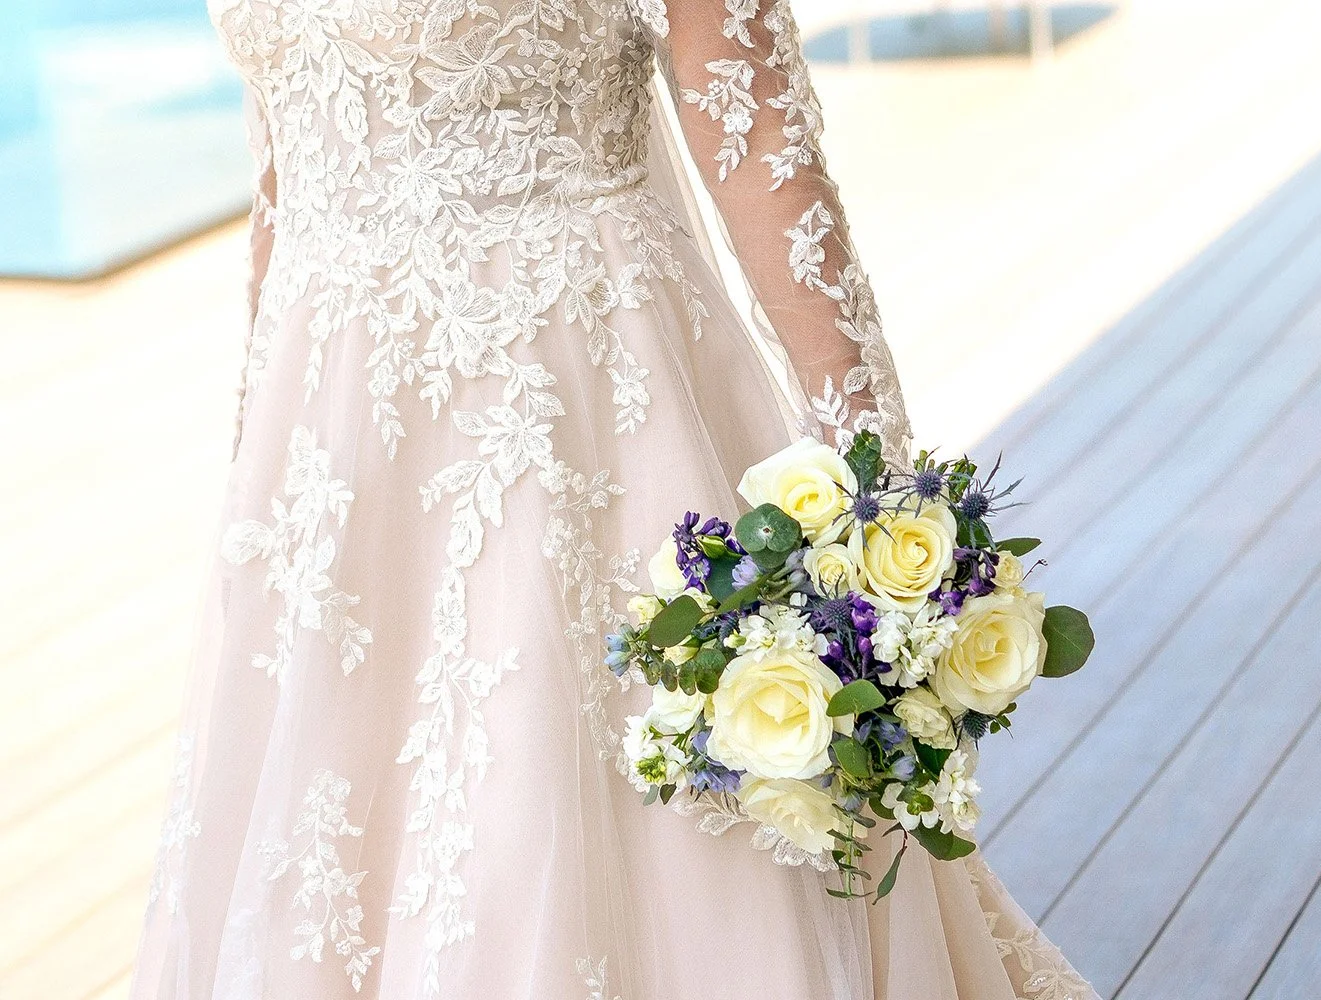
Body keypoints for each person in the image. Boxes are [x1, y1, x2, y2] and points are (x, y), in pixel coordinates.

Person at [132, 2, 1097, 997]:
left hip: (576, 419)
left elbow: (757, 135)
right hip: (330, 473)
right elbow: (282, 178)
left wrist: (882, 496)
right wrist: (256, 465)